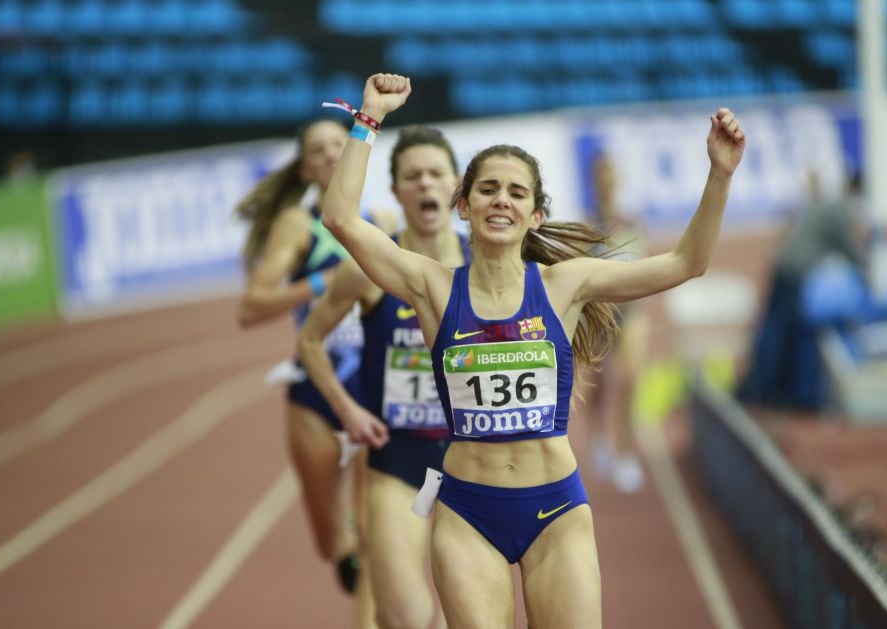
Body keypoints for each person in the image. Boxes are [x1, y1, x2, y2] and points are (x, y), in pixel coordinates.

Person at [319, 73, 746, 628]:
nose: (502, 200)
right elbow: (340, 219)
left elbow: (687, 262)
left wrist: (720, 173)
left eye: (517, 192)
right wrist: (369, 116)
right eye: (488, 189)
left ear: (535, 215)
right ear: (463, 206)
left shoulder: (566, 285)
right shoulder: (432, 286)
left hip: (556, 511)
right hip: (468, 512)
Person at [298, 125, 468, 628]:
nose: (425, 184)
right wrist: (347, 409)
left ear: (456, 186)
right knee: (404, 616)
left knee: (474, 610)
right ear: (395, 191)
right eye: (412, 176)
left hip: (472, 460)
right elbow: (309, 341)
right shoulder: (366, 270)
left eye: (436, 173)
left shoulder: (485, 265)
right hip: (397, 461)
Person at [234, 117, 378, 620]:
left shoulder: (380, 220)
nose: (330, 156)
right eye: (317, 151)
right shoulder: (298, 224)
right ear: (306, 167)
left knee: (372, 536)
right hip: (316, 387)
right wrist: (325, 282)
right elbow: (251, 307)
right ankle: (348, 558)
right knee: (331, 541)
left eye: (339, 145)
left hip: (374, 387)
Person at [736, 169, 866, 411]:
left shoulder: (824, 205)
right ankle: (771, 393)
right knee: (783, 336)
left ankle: (764, 391)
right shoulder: (840, 210)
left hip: (785, 268)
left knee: (774, 334)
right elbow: (848, 248)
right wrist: (867, 269)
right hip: (794, 273)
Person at [583, 150, 648, 494]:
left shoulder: (632, 222)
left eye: (611, 175)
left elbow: (644, 267)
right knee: (596, 385)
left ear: (617, 180)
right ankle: (600, 441)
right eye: (601, 176)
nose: (607, 182)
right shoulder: (586, 224)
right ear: (595, 182)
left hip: (632, 312)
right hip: (598, 315)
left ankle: (625, 453)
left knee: (630, 381)